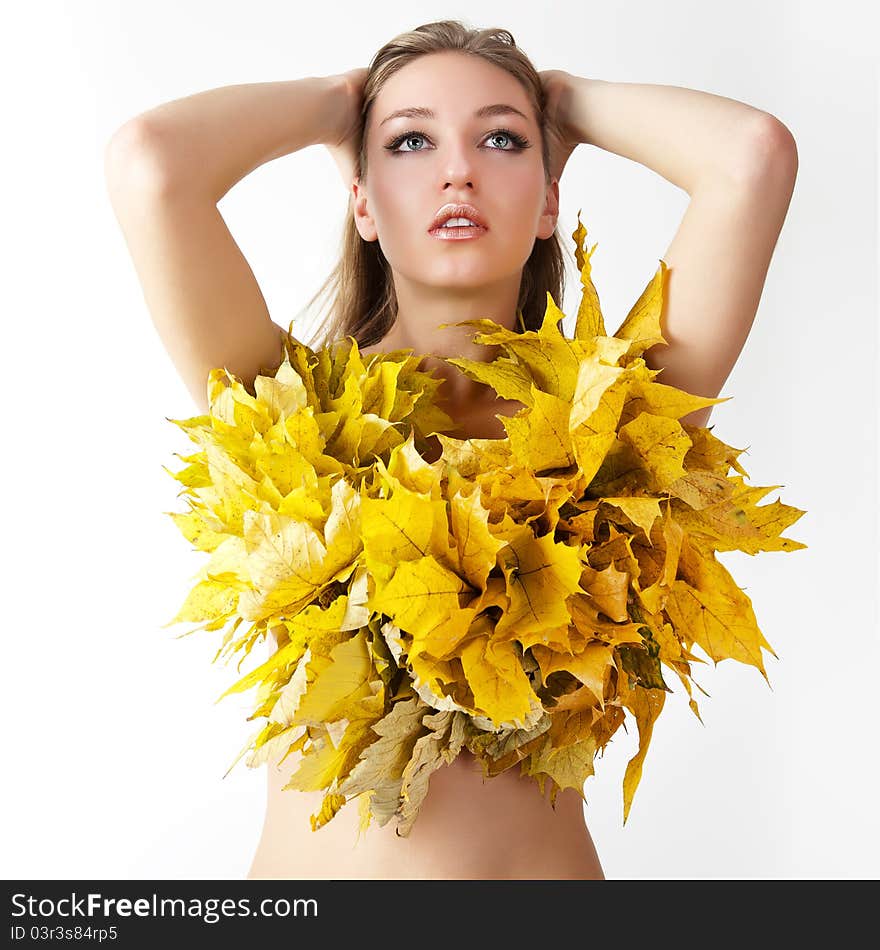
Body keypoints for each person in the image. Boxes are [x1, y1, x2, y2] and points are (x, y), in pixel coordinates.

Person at [104, 19, 798, 880]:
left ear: (549, 200)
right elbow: (150, 163)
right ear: (361, 200)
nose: (457, 170)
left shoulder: (617, 428)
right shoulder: (283, 410)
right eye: (411, 141)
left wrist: (565, 104)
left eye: (501, 139)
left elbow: (753, 156)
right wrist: (336, 107)